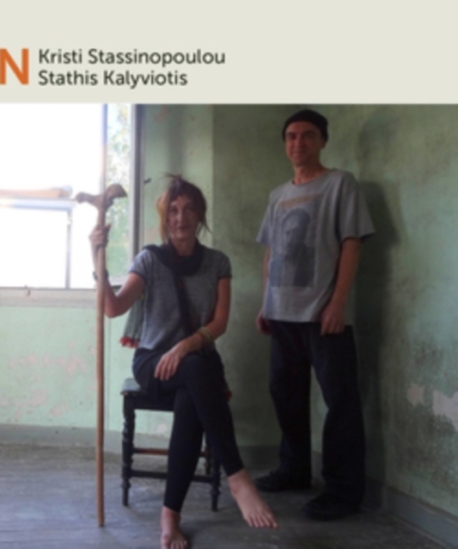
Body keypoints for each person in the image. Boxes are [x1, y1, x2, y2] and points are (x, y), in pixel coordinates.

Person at [91, 175, 278, 549]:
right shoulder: (149, 260)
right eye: (173, 210)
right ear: (165, 217)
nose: (181, 217)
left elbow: (219, 323)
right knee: (195, 370)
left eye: (189, 209)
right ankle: (238, 477)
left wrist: (184, 347)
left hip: (197, 363)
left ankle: (169, 518)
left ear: (200, 215)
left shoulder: (218, 263)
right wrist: (96, 257)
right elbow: (112, 307)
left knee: (192, 392)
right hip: (152, 363)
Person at [254, 110, 375, 521]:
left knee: (340, 402)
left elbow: (352, 242)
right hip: (281, 314)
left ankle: (342, 492)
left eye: (307, 135)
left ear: (322, 141)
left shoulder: (340, 183)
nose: (298, 143)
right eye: (291, 136)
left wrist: (338, 303)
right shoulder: (277, 195)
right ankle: (294, 470)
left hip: (324, 314)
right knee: (284, 395)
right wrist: (265, 303)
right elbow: (271, 252)